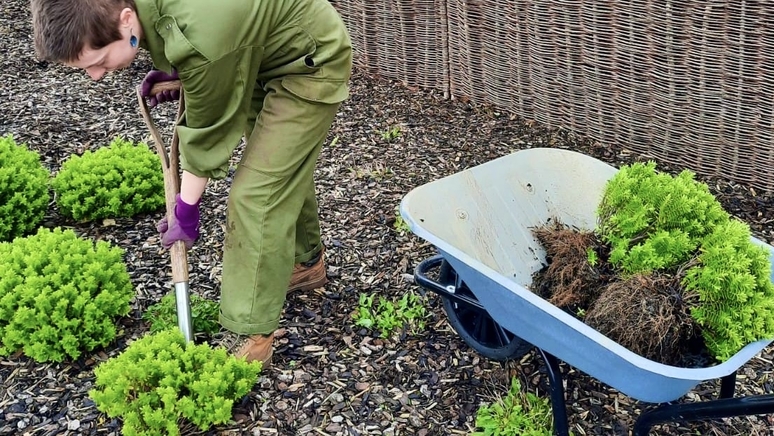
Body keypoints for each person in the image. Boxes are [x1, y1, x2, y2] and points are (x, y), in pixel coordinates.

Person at [31, 0, 353, 366]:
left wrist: (186, 209)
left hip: (308, 60)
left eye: (99, 61)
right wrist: (180, 69)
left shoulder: (202, 39)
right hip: (255, 53)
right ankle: (305, 262)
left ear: (124, 19)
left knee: (257, 194)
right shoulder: (161, 23)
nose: (96, 76)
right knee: (279, 168)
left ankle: (250, 332)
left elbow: (205, 137)